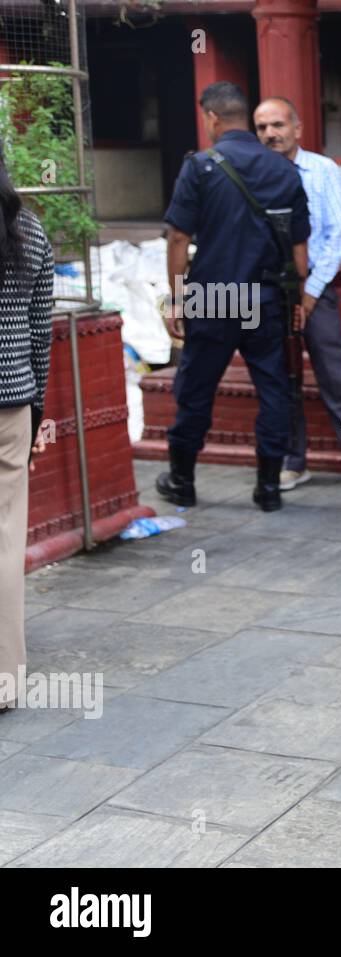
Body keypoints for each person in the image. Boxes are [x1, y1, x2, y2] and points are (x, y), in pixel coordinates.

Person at [155, 81, 310, 512]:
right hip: (266, 296)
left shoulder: (200, 166)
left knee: (197, 387)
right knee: (274, 387)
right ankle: (269, 487)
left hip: (215, 295)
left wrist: (178, 299)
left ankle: (182, 480)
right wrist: (295, 300)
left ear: (212, 118)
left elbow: (178, 238)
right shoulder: (285, 169)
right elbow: (300, 247)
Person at [252, 96, 341, 496]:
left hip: (315, 286)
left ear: (297, 128)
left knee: (335, 376)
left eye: (278, 125)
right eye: (262, 127)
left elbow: (336, 236)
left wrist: (309, 293)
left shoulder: (321, 169)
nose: (270, 134)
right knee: (280, 376)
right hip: (267, 292)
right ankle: (293, 462)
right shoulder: (252, 172)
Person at [0, 149, 53, 713]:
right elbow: (41, 335)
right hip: (11, 403)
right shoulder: (29, 230)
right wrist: (36, 412)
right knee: (6, 538)